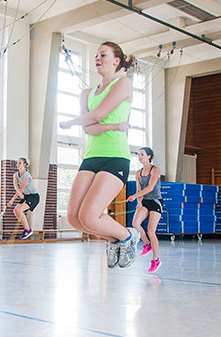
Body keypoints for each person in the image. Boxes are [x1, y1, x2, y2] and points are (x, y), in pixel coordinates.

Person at [60, 41, 140, 268]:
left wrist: (71, 121)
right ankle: (114, 238)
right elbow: (89, 128)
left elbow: (97, 115)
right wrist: (113, 126)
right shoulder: (86, 93)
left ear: (117, 60)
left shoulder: (123, 84)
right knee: (75, 219)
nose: (97, 58)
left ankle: (127, 236)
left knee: (89, 216)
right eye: (96, 55)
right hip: (91, 157)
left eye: (103, 55)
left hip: (115, 157)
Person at [127, 147, 163, 272]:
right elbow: (138, 189)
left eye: (142, 154)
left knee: (151, 231)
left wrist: (135, 196)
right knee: (135, 224)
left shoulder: (155, 170)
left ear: (149, 156)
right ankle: (147, 244)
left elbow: (150, 188)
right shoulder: (138, 173)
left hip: (155, 202)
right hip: (145, 202)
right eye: (138, 154)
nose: (139, 156)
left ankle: (156, 260)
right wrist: (139, 201)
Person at [7, 157, 40, 240]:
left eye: (20, 163)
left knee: (19, 210)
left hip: (33, 197)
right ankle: (26, 228)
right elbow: (16, 187)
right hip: (26, 196)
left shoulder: (27, 175)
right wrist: (19, 194)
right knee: (15, 211)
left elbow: (21, 188)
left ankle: (28, 230)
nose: (17, 164)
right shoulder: (15, 175)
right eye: (17, 163)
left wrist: (12, 199)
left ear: (24, 165)